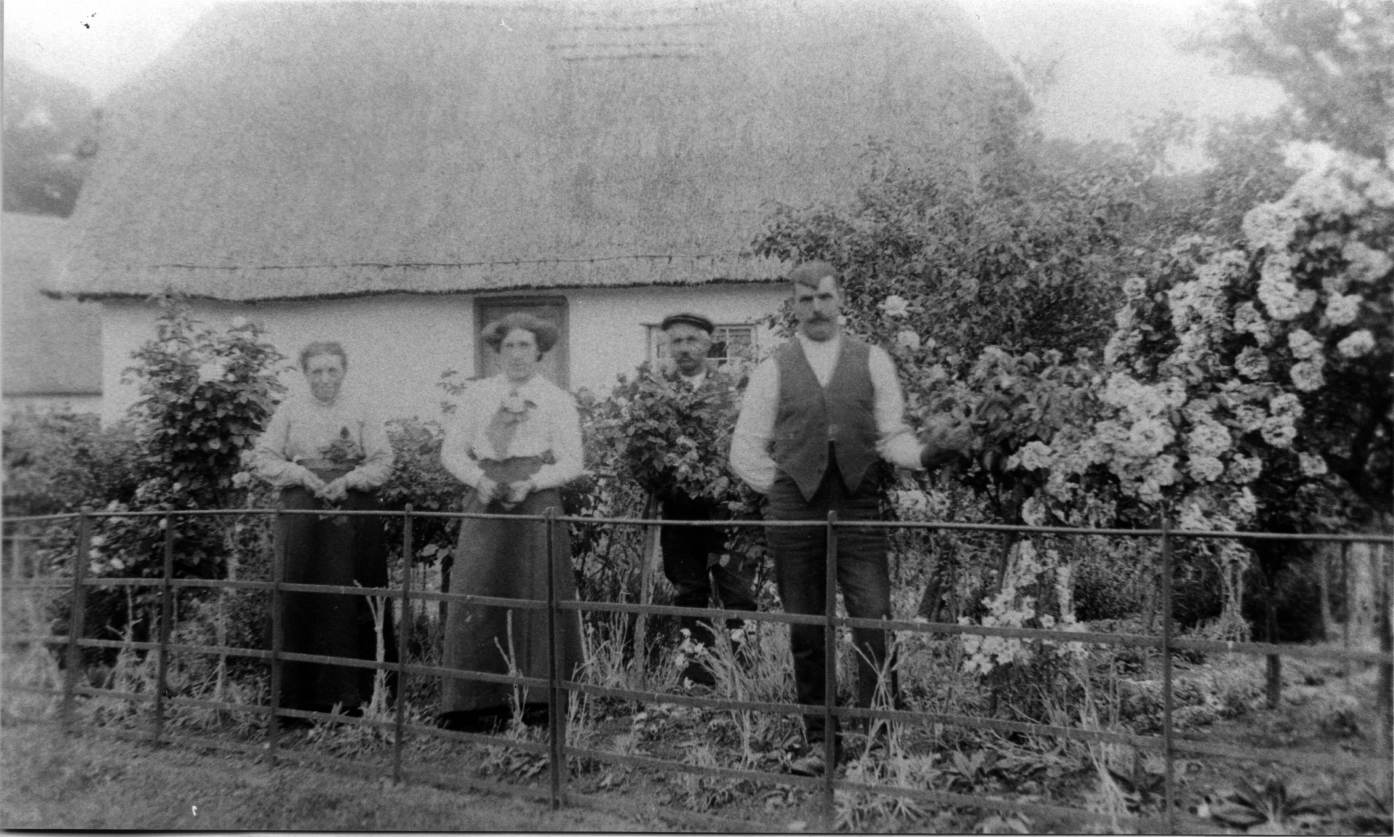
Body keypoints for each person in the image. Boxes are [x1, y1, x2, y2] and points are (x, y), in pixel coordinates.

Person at [730, 261, 971, 775]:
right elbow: (745, 450)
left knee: (873, 619)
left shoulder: (874, 360)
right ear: (793, 306)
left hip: (859, 501)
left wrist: (928, 455)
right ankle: (821, 741)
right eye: (804, 300)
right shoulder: (773, 367)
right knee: (807, 628)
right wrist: (785, 487)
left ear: (840, 301)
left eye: (824, 297)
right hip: (796, 507)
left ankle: (882, 738)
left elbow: (891, 437)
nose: (816, 308)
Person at [438, 312, 585, 732]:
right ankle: (474, 701)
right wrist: (478, 480)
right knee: (479, 587)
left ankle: (541, 700)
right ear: (497, 353)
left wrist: (534, 482)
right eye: (509, 347)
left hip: (535, 501)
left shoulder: (556, 399)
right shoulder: (478, 396)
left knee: (537, 589)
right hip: (487, 499)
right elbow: (452, 453)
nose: (517, 354)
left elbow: (574, 461)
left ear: (539, 351)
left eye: (525, 346)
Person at [248, 341, 396, 726]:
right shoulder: (290, 410)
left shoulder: (362, 408)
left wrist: (350, 479)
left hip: (353, 513)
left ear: (344, 371)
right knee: (302, 597)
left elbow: (382, 460)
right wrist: (300, 475)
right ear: (305, 373)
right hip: (304, 513)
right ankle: (297, 700)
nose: (325, 378)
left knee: (352, 599)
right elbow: (264, 457)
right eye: (317, 371)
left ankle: (356, 698)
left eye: (332, 370)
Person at [653, 312, 758, 688]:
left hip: (726, 510)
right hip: (679, 513)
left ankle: (750, 678)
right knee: (689, 592)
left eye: (691, 341)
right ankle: (697, 679)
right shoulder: (656, 395)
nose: (683, 348)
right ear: (667, 346)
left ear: (708, 344)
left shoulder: (731, 392)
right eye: (676, 341)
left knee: (737, 592)